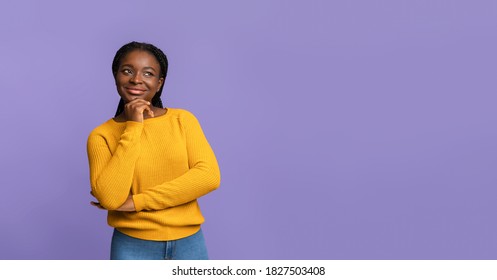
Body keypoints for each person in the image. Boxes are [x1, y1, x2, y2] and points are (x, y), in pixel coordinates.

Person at [86, 41, 221, 260]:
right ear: (116, 76)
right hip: (132, 246)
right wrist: (134, 126)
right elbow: (111, 199)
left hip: (190, 243)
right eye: (127, 71)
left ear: (159, 84)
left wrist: (137, 202)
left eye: (148, 73)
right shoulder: (101, 136)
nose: (136, 79)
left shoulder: (182, 120)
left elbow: (209, 177)